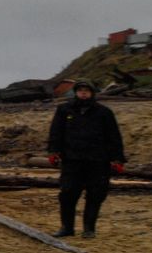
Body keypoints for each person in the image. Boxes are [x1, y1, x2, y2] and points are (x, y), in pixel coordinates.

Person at [46, 79, 126, 238]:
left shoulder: (104, 112)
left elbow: (114, 137)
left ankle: (89, 229)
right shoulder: (64, 110)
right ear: (75, 92)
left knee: (95, 195)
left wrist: (118, 159)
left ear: (92, 92)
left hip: (98, 161)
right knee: (67, 193)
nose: (83, 93)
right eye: (80, 90)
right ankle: (67, 228)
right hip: (71, 160)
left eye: (86, 90)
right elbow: (56, 132)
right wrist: (53, 151)